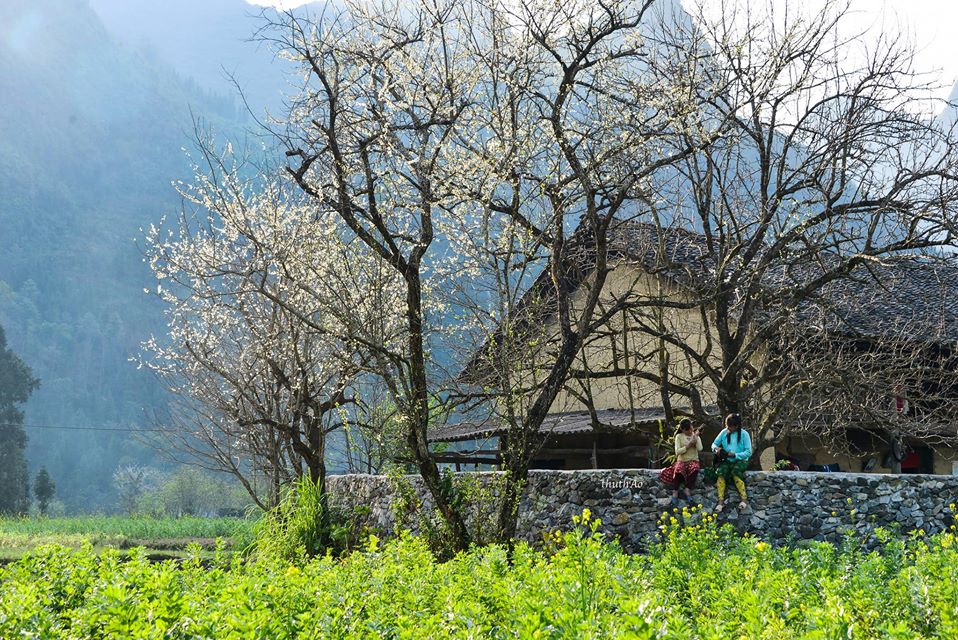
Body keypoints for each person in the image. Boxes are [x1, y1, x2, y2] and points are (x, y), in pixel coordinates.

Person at [709, 413, 752, 512]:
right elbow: (714, 444)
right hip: (727, 460)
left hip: (740, 460)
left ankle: (744, 499)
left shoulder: (744, 434)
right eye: (727, 426)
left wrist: (735, 455)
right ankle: (721, 501)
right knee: (720, 473)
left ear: (736, 426)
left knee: (735, 472)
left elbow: (748, 452)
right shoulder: (724, 432)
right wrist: (717, 449)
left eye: (730, 427)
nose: (728, 428)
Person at [659, 418, 703, 506]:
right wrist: (688, 446)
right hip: (682, 460)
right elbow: (677, 452)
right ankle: (675, 492)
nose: (690, 431)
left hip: (693, 460)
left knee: (694, 468)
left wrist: (695, 437)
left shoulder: (695, 436)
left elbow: (700, 449)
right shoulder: (679, 437)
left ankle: (687, 489)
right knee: (678, 469)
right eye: (688, 430)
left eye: (691, 428)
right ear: (683, 429)